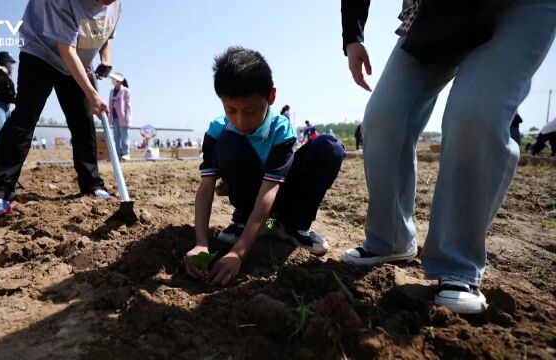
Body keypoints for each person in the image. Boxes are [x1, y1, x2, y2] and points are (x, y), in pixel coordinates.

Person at [340, 0, 556, 314]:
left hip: (519, 7)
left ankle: (457, 264)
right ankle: (391, 239)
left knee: (475, 112)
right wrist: (352, 37)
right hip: (436, 9)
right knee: (383, 117)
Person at [183, 47, 345, 285]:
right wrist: (200, 243)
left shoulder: (281, 130)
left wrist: (238, 253)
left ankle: (292, 227)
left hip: (278, 202)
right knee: (230, 141)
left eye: (250, 111)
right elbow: (207, 186)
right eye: (231, 111)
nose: (240, 121)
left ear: (271, 97)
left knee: (329, 147)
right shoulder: (218, 131)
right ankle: (250, 223)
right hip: (253, 208)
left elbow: (270, 190)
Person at [0, 0, 122, 217]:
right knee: (25, 118)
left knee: (83, 123)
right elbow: (66, 49)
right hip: (40, 53)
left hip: (78, 62)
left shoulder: (116, 4)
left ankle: (92, 186)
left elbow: (107, 34)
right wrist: (92, 94)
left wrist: (105, 59)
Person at [108, 72, 132, 160]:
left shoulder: (126, 91)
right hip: (114, 117)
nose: (112, 81)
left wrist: (128, 117)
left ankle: (126, 153)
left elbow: (128, 106)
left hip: (123, 117)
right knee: (116, 136)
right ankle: (117, 153)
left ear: (118, 81)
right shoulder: (111, 91)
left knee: (124, 136)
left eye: (113, 79)